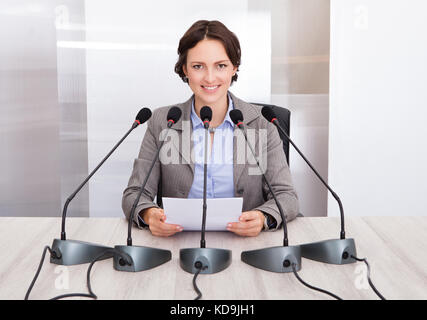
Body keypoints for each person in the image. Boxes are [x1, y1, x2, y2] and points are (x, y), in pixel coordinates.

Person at [122, 20, 299, 237]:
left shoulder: (262, 122)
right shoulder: (163, 121)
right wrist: (149, 215)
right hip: (179, 242)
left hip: (247, 244)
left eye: (221, 65)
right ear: (185, 69)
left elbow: (287, 196)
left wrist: (263, 218)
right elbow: (134, 194)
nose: (210, 77)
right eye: (198, 66)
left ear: (234, 67)